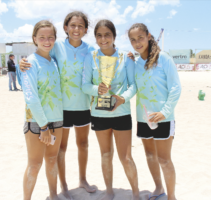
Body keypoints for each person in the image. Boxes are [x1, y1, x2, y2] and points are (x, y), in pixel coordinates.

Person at [20, 11, 96, 199]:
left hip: (73, 110)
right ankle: (62, 186)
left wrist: (127, 55)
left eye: (80, 26)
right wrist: (20, 63)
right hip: (52, 115)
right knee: (45, 158)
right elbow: (35, 63)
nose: (76, 29)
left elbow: (104, 60)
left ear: (86, 29)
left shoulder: (88, 50)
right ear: (65, 28)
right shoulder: (54, 49)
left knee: (80, 146)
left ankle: (76, 182)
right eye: (72, 25)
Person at [82, 19, 139, 200]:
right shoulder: (90, 58)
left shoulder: (126, 57)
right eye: (99, 35)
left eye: (107, 34)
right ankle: (108, 191)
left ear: (114, 36)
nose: (103, 39)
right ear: (95, 38)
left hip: (121, 112)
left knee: (126, 158)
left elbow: (133, 85)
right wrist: (95, 89)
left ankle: (136, 193)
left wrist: (123, 98)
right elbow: (84, 85)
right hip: (99, 113)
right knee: (106, 155)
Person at [128, 23, 181, 200]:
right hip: (144, 118)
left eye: (140, 38)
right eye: (133, 40)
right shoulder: (135, 63)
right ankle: (158, 188)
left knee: (164, 160)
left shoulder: (163, 58)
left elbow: (175, 87)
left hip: (163, 118)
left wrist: (165, 112)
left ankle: (171, 197)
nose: (137, 43)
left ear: (149, 36)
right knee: (150, 155)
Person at [21, 20, 63, 200]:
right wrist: (44, 126)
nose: (47, 41)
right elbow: (31, 97)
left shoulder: (54, 61)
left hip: (57, 119)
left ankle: (54, 195)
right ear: (34, 39)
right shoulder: (30, 62)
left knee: (52, 160)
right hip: (37, 122)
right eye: (42, 37)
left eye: (50, 37)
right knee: (35, 164)